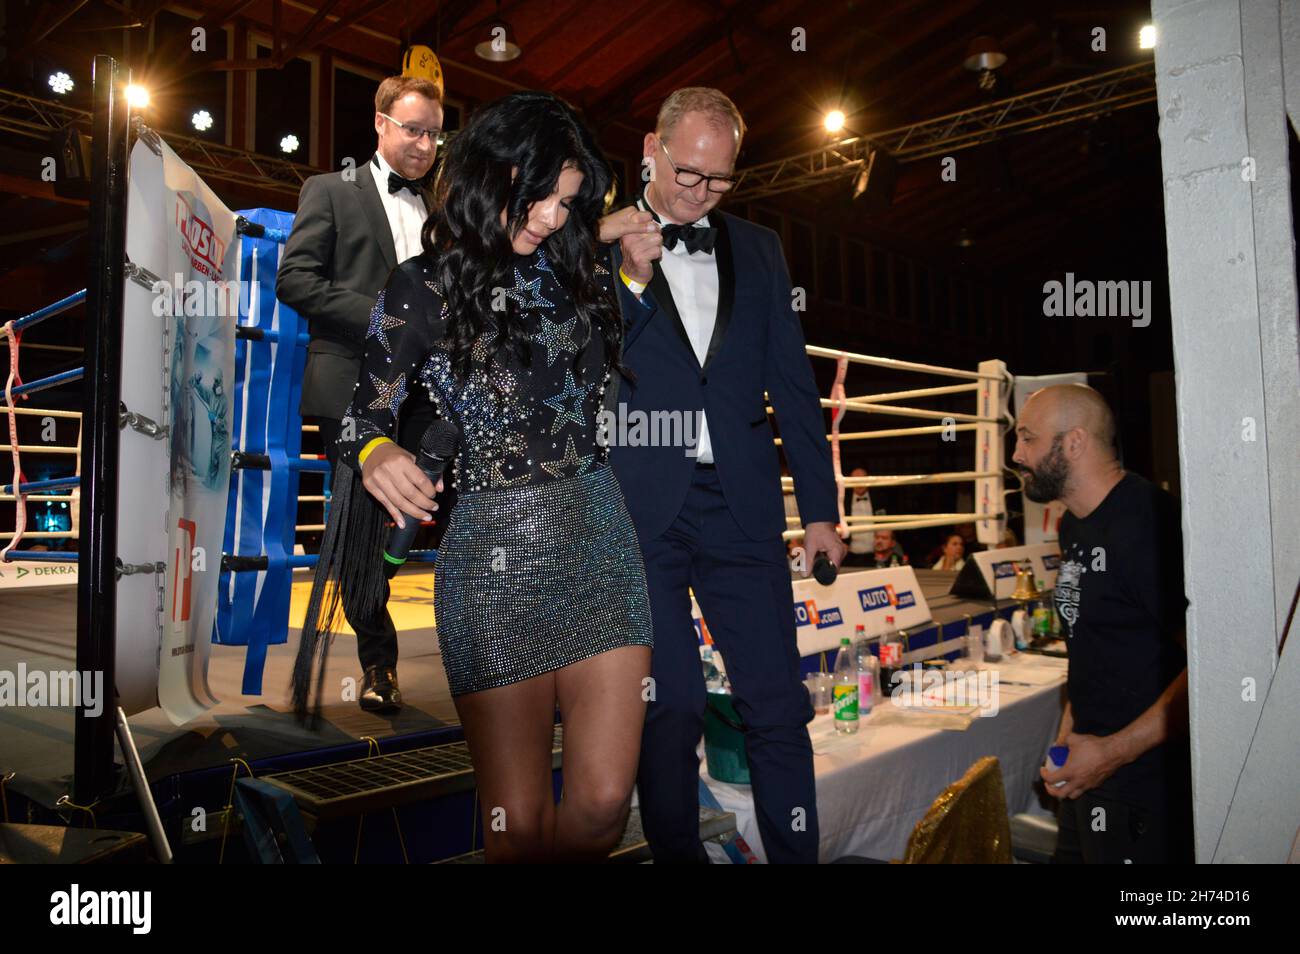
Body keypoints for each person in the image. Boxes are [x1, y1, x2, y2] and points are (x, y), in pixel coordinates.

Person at [294, 91, 654, 862]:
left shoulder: (577, 272)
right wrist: (376, 452)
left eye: (568, 203)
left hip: (600, 544)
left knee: (599, 807)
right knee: (516, 825)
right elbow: (364, 413)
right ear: (497, 175)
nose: (556, 219)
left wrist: (623, 259)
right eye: (544, 200)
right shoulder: (417, 287)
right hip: (490, 564)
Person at [604, 86, 845, 863]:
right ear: (651, 146)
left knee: (776, 704)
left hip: (741, 505)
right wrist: (606, 265)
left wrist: (820, 510)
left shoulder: (761, 250)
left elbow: (795, 389)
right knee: (668, 704)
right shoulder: (589, 239)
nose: (700, 193)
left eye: (720, 180)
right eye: (687, 174)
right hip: (643, 510)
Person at [277, 74, 444, 713]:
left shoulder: (444, 211)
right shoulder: (330, 190)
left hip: (429, 397)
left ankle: (491, 663)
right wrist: (384, 312)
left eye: (433, 134)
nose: (424, 145)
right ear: (379, 123)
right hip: (349, 387)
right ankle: (379, 667)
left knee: (429, 525)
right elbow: (295, 281)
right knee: (359, 524)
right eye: (412, 129)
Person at [1012, 383, 1192, 864]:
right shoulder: (1074, 523)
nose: (1016, 453)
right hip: (1090, 776)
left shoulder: (1148, 523)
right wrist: (1070, 735)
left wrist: (1113, 753)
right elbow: (1090, 644)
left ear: (1073, 442)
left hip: (1145, 787)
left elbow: (1211, 664)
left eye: (1028, 439)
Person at [843, 466, 876, 566]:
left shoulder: (879, 498)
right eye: (856, 480)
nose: (860, 484)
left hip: (875, 552)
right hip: (851, 553)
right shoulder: (843, 500)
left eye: (862, 480)